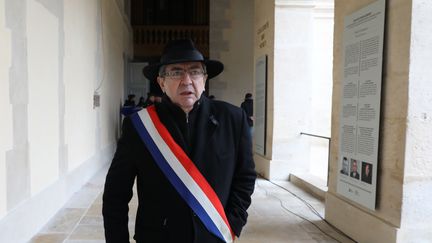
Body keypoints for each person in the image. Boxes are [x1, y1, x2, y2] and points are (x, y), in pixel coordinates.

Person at [103, 39, 256, 243]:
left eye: (194, 71)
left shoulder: (233, 119)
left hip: (215, 236)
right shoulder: (139, 127)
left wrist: (232, 224)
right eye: (176, 72)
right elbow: (116, 194)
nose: (186, 80)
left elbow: (245, 178)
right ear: (161, 82)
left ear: (205, 78)